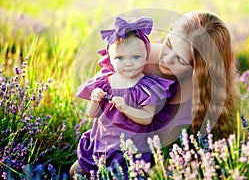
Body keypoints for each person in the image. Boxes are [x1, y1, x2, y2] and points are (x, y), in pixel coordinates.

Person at [70, 16, 174, 178]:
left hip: (129, 147)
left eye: (136, 57)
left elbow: (147, 117)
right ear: (110, 59)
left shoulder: (146, 87)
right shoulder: (105, 82)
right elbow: (91, 114)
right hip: (101, 142)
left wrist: (126, 108)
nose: (128, 63)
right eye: (120, 58)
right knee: (75, 171)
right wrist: (94, 100)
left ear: (146, 57)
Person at [144, 11, 240, 144]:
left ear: (200, 70)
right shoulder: (144, 58)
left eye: (180, 60)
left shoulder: (193, 110)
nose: (166, 59)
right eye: (169, 45)